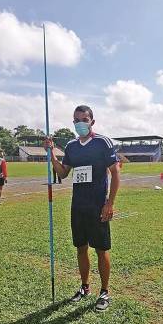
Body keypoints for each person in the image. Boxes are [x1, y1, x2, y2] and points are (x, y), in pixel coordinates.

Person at [43, 105, 120, 311]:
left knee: (101, 249)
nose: (80, 123)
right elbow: (63, 172)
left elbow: (115, 173)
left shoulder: (103, 142)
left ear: (92, 121)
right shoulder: (71, 146)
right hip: (78, 206)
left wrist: (109, 203)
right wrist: (51, 153)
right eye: (77, 120)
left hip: (98, 206)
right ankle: (85, 287)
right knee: (81, 248)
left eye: (84, 119)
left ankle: (104, 292)